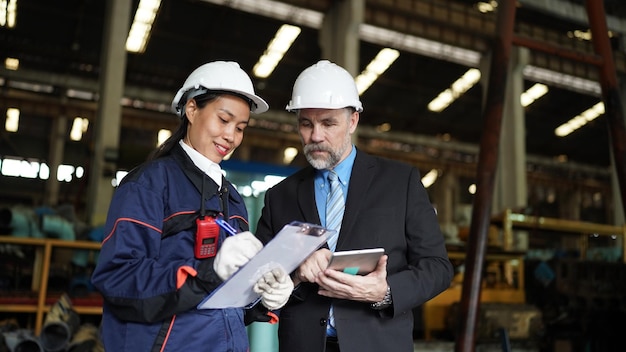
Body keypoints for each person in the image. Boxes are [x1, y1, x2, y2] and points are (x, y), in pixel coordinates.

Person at [91, 61, 294, 352]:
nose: (231, 136)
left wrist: (260, 296)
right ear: (191, 109)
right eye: (223, 120)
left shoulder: (232, 198)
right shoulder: (149, 185)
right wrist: (209, 270)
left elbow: (223, 303)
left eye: (240, 127)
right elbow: (118, 278)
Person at [254, 60, 454, 352]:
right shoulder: (280, 196)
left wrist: (385, 291)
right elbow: (257, 284)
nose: (315, 136)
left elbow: (438, 268)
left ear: (353, 121)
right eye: (306, 124)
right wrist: (295, 274)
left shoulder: (401, 182)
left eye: (328, 123)